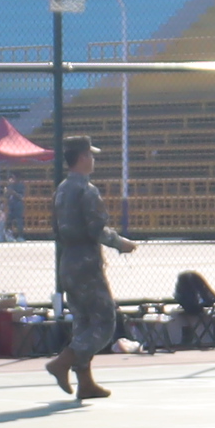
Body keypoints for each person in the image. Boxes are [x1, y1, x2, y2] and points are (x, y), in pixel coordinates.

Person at [45, 135, 135, 401]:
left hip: (68, 260)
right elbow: (97, 229)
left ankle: (85, 382)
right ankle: (63, 362)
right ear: (83, 157)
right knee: (105, 321)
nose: (93, 160)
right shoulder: (86, 189)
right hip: (86, 262)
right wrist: (121, 243)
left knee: (83, 321)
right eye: (91, 155)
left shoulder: (62, 189)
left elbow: (56, 227)